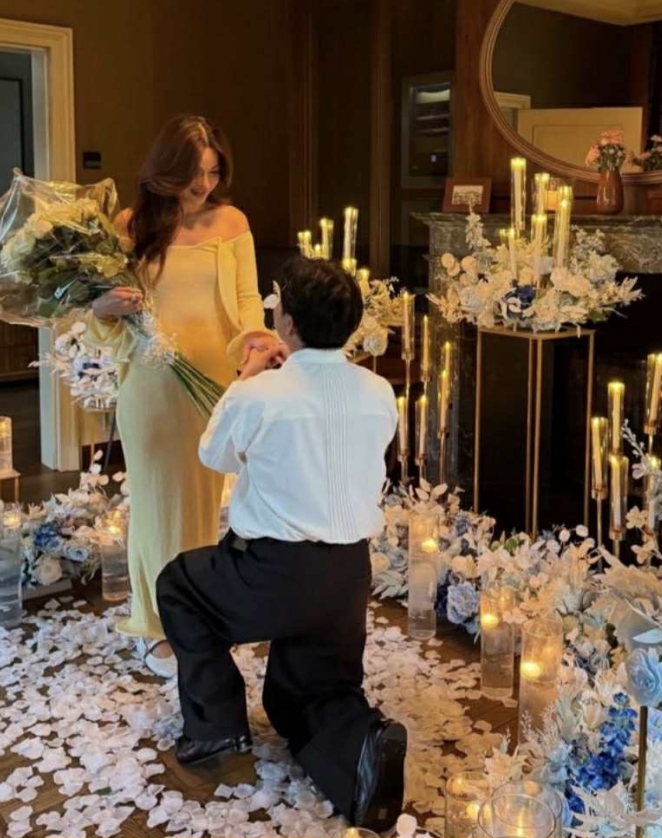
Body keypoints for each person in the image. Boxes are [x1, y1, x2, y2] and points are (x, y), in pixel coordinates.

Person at [156, 257, 407, 832]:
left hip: (271, 575)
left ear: (287, 323)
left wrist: (247, 377)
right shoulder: (377, 390)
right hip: (348, 577)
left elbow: (214, 455)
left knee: (178, 584)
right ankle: (362, 754)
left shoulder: (260, 393)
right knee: (306, 695)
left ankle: (214, 724)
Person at [87, 114, 274, 678]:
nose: (204, 185)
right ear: (166, 170)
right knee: (155, 504)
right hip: (150, 384)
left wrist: (258, 344)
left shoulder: (232, 221)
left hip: (213, 383)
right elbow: (104, 319)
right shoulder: (130, 225)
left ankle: (194, 613)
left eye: (214, 173)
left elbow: (248, 300)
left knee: (200, 504)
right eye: (195, 174)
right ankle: (154, 623)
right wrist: (102, 308)